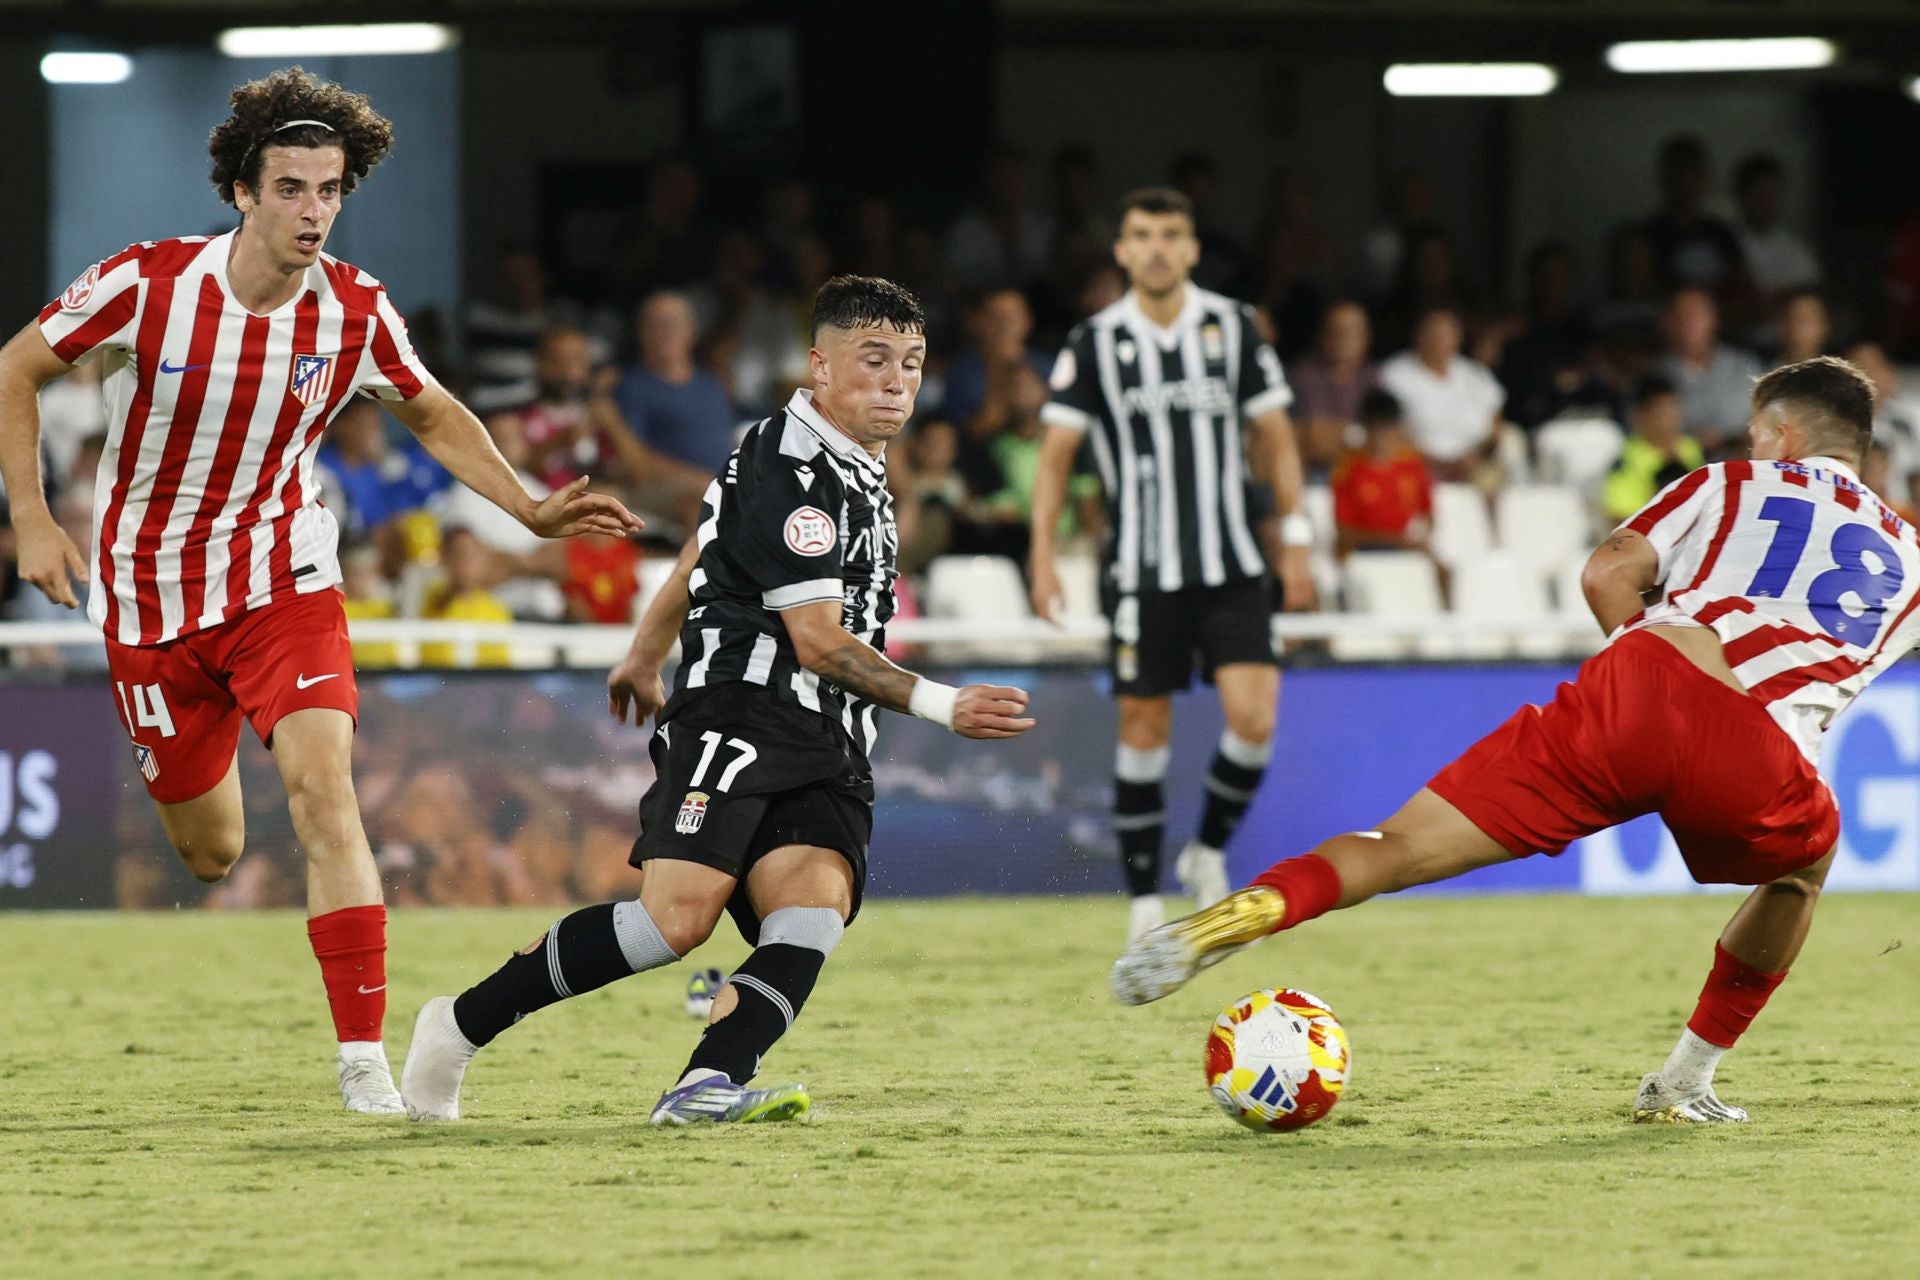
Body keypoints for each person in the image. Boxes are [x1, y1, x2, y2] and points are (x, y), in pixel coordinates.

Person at [0, 69, 642, 1114]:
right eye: (292, 188)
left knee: (324, 788)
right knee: (210, 851)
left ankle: (363, 1059)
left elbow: (430, 413)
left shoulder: (353, 308)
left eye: (330, 189)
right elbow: (14, 368)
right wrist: (31, 517)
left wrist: (526, 509)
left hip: (281, 578)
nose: (313, 211)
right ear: (243, 194)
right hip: (151, 601)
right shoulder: (147, 285)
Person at [1114, 357, 1919, 1125]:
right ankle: (1681, 1084)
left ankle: (1257, 907)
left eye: (1753, 436)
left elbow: (1606, 573)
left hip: (1634, 684)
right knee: (1802, 871)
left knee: (1395, 844)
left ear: (1780, 437)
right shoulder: (1909, 555)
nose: (1751, 449)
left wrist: (1644, 690)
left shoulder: (1728, 483)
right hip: (1757, 746)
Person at [399, 276, 1037, 1125]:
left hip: (833, 732)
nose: (897, 382)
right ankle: (455, 1026)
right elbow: (814, 638)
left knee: (814, 905)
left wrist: (642, 651)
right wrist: (942, 705)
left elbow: (708, 539)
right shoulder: (792, 462)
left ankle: (708, 1080)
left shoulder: (861, 460)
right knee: (672, 925)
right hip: (740, 711)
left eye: (913, 365)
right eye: (874, 360)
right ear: (818, 365)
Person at [1029, 186, 1315, 947]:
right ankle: (1144, 899)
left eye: (1171, 235)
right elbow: (1056, 457)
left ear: (1191, 249)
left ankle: (1208, 850)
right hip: (1141, 568)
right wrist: (1044, 554)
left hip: (1231, 561)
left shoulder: (1233, 326)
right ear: (1122, 250)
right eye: (1141, 235)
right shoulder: (1094, 342)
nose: (1156, 248)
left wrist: (1297, 536)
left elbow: (1277, 436)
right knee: (1143, 725)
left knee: (1255, 720)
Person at [1377, 305, 1505, 482]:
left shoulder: (1475, 375)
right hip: (1416, 463)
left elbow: (1496, 423)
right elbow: (1387, 430)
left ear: (1458, 337)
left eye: (1446, 334)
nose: (1438, 340)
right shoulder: (1394, 375)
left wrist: (1476, 456)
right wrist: (1440, 463)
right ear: (1418, 336)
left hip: (1474, 464)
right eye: (1432, 333)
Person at [1658, 288, 1762, 454]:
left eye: (1696, 314)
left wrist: (1729, 439)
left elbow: (1765, 418)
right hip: (1679, 469)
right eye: (1680, 315)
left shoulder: (1744, 366)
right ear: (1666, 322)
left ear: (1714, 318)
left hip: (1741, 462)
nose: (1688, 322)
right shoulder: (1656, 375)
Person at [1330, 389, 1432, 557]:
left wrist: (1418, 536)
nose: (1382, 439)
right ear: (1365, 429)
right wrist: (1394, 541)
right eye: (1377, 431)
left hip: (1406, 553)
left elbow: (1428, 516)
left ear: (1399, 429)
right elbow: (1345, 533)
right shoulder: (1347, 471)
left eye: (1388, 430)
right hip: (1364, 555)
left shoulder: (1412, 466)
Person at [1603, 373, 1704, 522]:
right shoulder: (1627, 463)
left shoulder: (1689, 447)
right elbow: (1620, 521)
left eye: (1674, 407)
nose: (1672, 419)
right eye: (1662, 412)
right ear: (1640, 416)